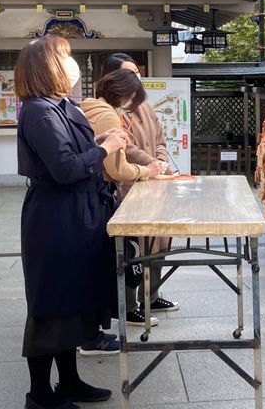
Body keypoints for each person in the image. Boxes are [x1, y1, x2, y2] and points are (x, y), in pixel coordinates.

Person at [15, 36, 129, 409]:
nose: (72, 64)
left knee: (74, 300)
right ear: (48, 66)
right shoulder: (38, 110)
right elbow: (64, 169)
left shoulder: (63, 106)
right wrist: (106, 148)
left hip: (79, 213)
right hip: (56, 218)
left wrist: (100, 138)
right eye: (65, 58)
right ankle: (40, 394)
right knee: (53, 303)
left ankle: (69, 382)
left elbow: (73, 151)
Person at [78, 68, 163, 352]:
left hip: (84, 194)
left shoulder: (88, 106)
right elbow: (115, 167)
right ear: (123, 93)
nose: (131, 105)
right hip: (98, 194)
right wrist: (145, 171)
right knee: (108, 260)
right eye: (131, 98)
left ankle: (90, 331)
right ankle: (91, 333)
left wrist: (151, 163)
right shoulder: (107, 114)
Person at [100, 54, 179, 323]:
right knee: (134, 245)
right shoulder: (111, 109)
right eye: (130, 73)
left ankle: (152, 297)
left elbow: (159, 137)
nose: (137, 78)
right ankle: (131, 304)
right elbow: (126, 148)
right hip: (129, 184)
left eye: (137, 72)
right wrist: (151, 164)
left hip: (155, 182)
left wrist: (161, 159)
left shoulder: (143, 103)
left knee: (159, 241)